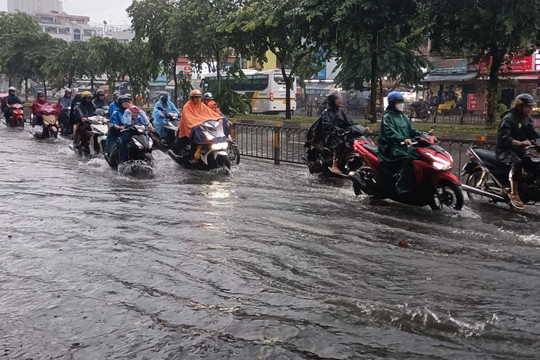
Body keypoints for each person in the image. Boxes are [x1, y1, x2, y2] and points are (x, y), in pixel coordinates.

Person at [496, 93, 540, 209]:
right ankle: (514, 193)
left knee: (534, 163)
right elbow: (505, 138)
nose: (530, 109)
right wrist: (520, 143)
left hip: (519, 150)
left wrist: (538, 142)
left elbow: (534, 135)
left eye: (531, 106)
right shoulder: (508, 118)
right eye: (528, 106)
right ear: (519, 106)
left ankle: (526, 188)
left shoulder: (526, 119)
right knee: (517, 163)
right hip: (504, 150)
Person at [377, 91, 424, 197]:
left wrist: (425, 136)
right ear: (392, 103)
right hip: (390, 148)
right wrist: (403, 139)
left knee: (420, 156)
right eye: (398, 102)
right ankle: (402, 187)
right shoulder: (387, 117)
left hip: (404, 146)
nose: (401, 104)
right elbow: (390, 133)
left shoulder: (403, 117)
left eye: (402, 101)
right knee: (407, 159)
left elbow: (412, 130)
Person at [320, 92, 367, 174]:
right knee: (340, 143)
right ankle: (334, 165)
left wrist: (361, 128)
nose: (340, 100)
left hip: (342, 133)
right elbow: (327, 125)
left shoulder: (340, 112)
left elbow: (350, 122)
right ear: (333, 100)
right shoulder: (326, 112)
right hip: (331, 135)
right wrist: (338, 130)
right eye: (337, 99)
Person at [177, 90, 223, 158]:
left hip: (201, 125)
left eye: (199, 97)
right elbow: (188, 118)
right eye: (196, 97)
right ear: (192, 98)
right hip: (189, 127)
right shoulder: (187, 106)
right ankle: (191, 155)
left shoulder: (202, 105)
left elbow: (211, 114)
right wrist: (196, 123)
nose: (198, 99)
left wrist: (220, 118)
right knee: (196, 134)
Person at [106, 95, 132, 161]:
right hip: (121, 133)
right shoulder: (116, 113)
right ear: (120, 103)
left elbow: (140, 119)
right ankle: (122, 160)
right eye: (124, 102)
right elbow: (112, 123)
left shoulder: (132, 112)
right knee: (121, 142)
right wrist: (118, 127)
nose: (127, 103)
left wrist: (148, 124)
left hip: (132, 132)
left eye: (128, 102)